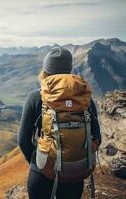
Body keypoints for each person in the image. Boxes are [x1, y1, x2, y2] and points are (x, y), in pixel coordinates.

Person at [17, 47, 102, 199]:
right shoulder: (84, 98)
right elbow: (97, 137)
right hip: (75, 172)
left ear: (45, 70)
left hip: (42, 170)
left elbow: (23, 140)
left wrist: (37, 162)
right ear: (69, 70)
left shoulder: (35, 97)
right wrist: (79, 154)